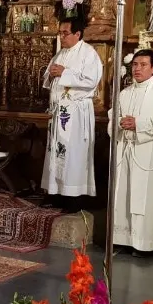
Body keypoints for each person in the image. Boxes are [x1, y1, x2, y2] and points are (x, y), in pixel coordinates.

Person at [110, 49, 153, 254]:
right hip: (125, 149)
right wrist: (120, 123)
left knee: (146, 196)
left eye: (143, 65)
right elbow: (113, 118)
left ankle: (145, 243)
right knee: (123, 193)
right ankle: (123, 239)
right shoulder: (124, 93)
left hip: (148, 151)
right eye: (135, 64)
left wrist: (138, 124)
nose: (137, 69)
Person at [41, 18, 103, 213]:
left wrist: (64, 73)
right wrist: (51, 75)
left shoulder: (88, 53)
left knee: (73, 155)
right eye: (60, 33)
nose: (61, 37)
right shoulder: (60, 53)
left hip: (75, 113)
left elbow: (91, 80)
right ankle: (55, 194)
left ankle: (74, 199)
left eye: (65, 33)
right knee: (56, 153)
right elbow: (48, 78)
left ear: (77, 34)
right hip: (59, 111)